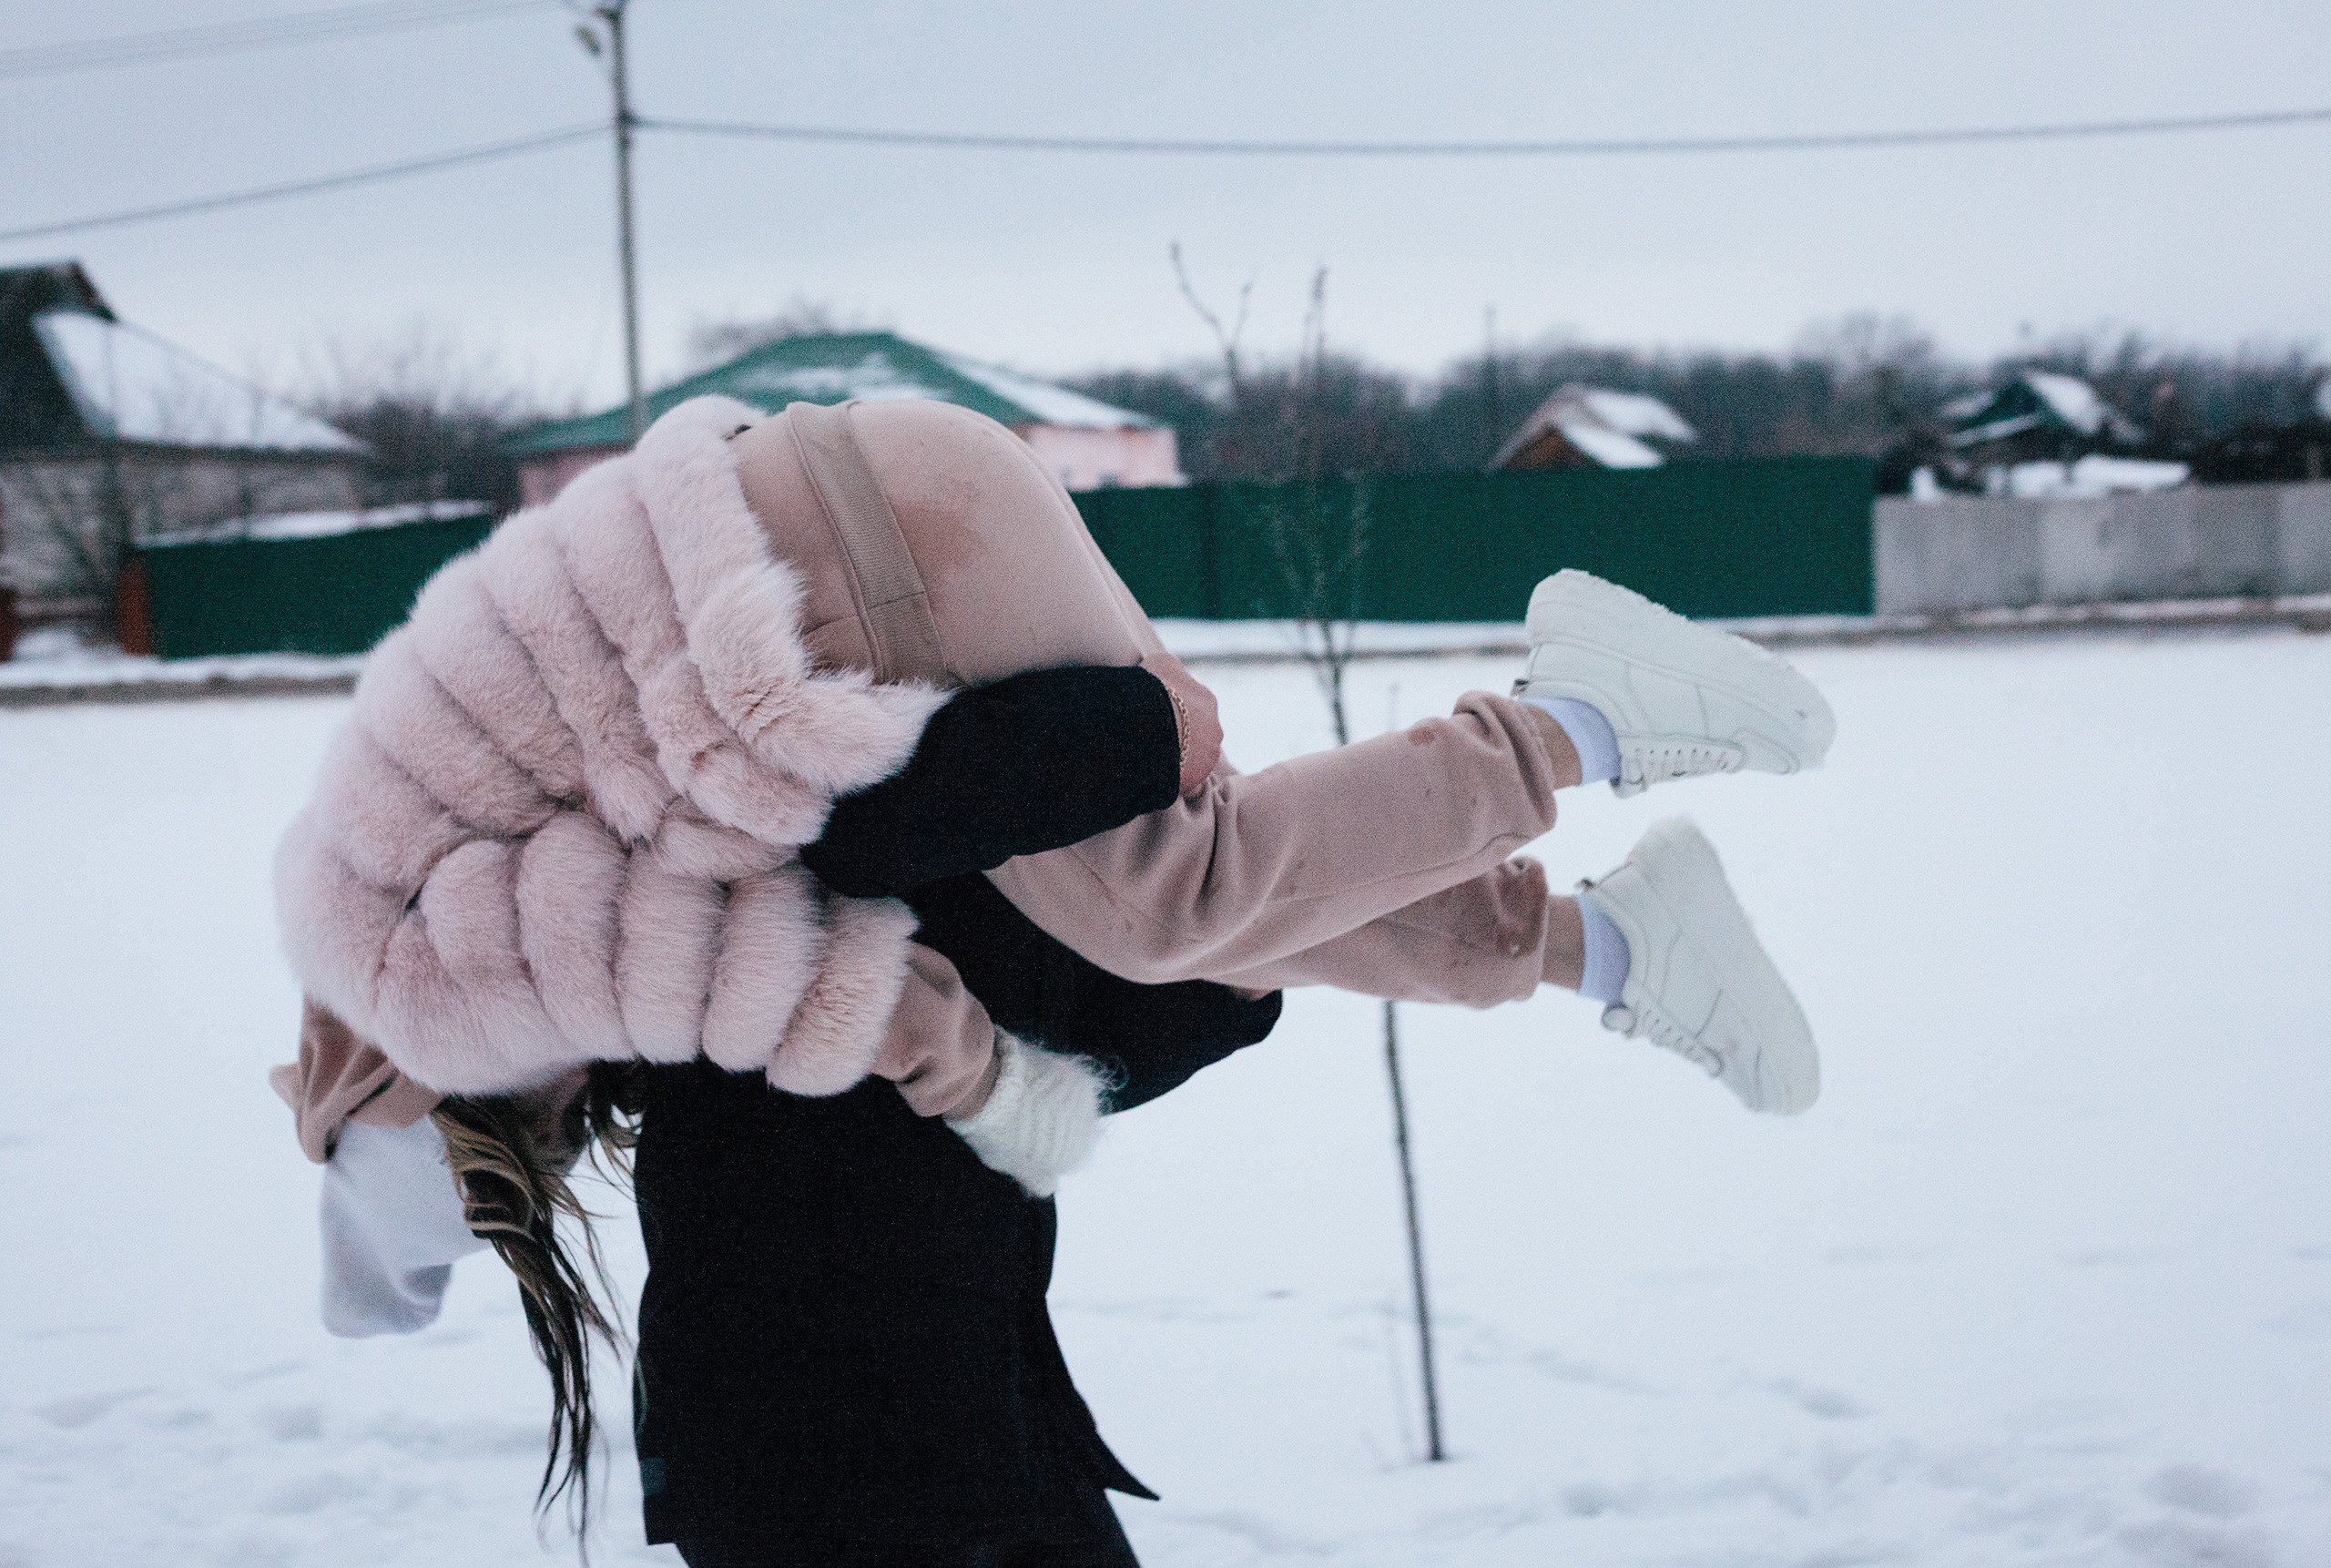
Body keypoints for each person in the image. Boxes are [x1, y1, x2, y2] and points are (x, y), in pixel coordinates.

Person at [275, 393, 1836, 1565]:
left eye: (516, 1157)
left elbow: (787, 979)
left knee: (1170, 901)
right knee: (1161, 904)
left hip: (873, 568)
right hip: (883, 505)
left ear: (430, 1111)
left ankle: (1580, 724)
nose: (557, 1137)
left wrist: (995, 1087)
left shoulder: (431, 978)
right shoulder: (407, 856)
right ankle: (1601, 939)